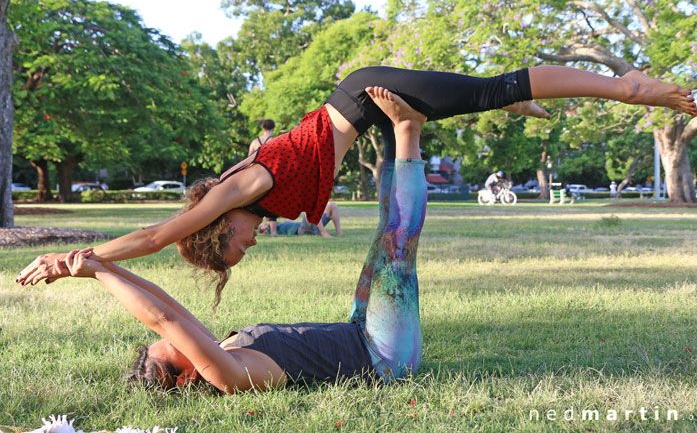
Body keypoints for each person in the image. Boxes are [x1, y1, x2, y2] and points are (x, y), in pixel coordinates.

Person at [17, 65, 697, 307]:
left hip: (368, 97)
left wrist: (75, 261)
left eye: (236, 249)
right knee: (478, 96)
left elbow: (154, 235)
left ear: (217, 227)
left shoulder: (238, 190)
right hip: (362, 111)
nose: (250, 248)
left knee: (495, 87)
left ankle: (627, 88)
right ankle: (511, 103)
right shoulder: (257, 190)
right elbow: (297, 156)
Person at [46, 98, 427, 390]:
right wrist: (96, 270)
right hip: (383, 357)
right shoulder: (227, 375)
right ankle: (408, 127)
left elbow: (163, 303)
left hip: (363, 333)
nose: (171, 336)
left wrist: (97, 266)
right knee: (397, 245)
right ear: (184, 378)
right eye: (171, 345)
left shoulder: (221, 350)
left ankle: (397, 130)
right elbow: (165, 319)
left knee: (387, 234)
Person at [259, 202, 343, 238]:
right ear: (264, 230)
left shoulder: (281, 225)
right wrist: (270, 220)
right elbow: (272, 220)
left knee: (332, 205)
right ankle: (324, 233)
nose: (265, 223)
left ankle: (339, 232)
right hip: (303, 230)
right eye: (264, 225)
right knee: (310, 209)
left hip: (312, 226)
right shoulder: (271, 229)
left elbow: (288, 216)